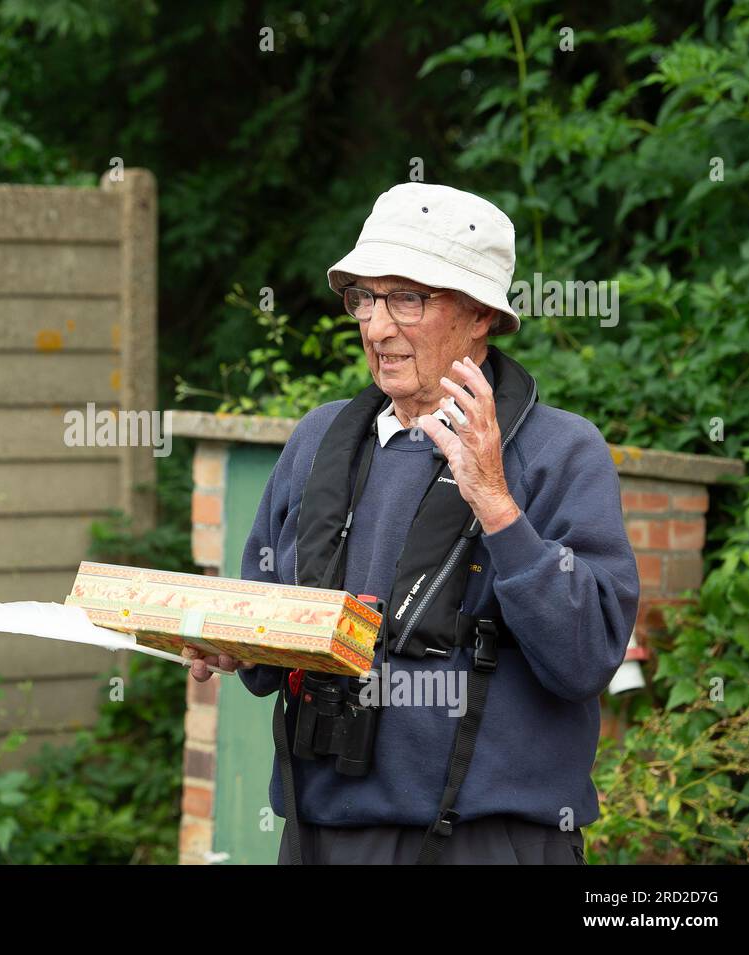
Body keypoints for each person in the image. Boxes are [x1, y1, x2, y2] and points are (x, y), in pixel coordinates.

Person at [188, 183, 639, 864]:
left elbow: (585, 657)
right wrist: (239, 645)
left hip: (491, 844)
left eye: (408, 298)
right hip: (321, 838)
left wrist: (495, 502)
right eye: (365, 297)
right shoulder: (317, 442)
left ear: (481, 313)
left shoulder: (560, 453)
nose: (375, 326)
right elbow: (270, 632)